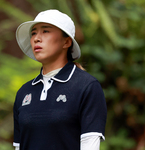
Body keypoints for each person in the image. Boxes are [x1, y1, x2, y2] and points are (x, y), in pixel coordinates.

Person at [13, 9, 107, 150]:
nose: (37, 38)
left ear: (66, 42)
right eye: (33, 33)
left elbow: (90, 145)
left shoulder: (86, 86)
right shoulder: (23, 93)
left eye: (45, 31)